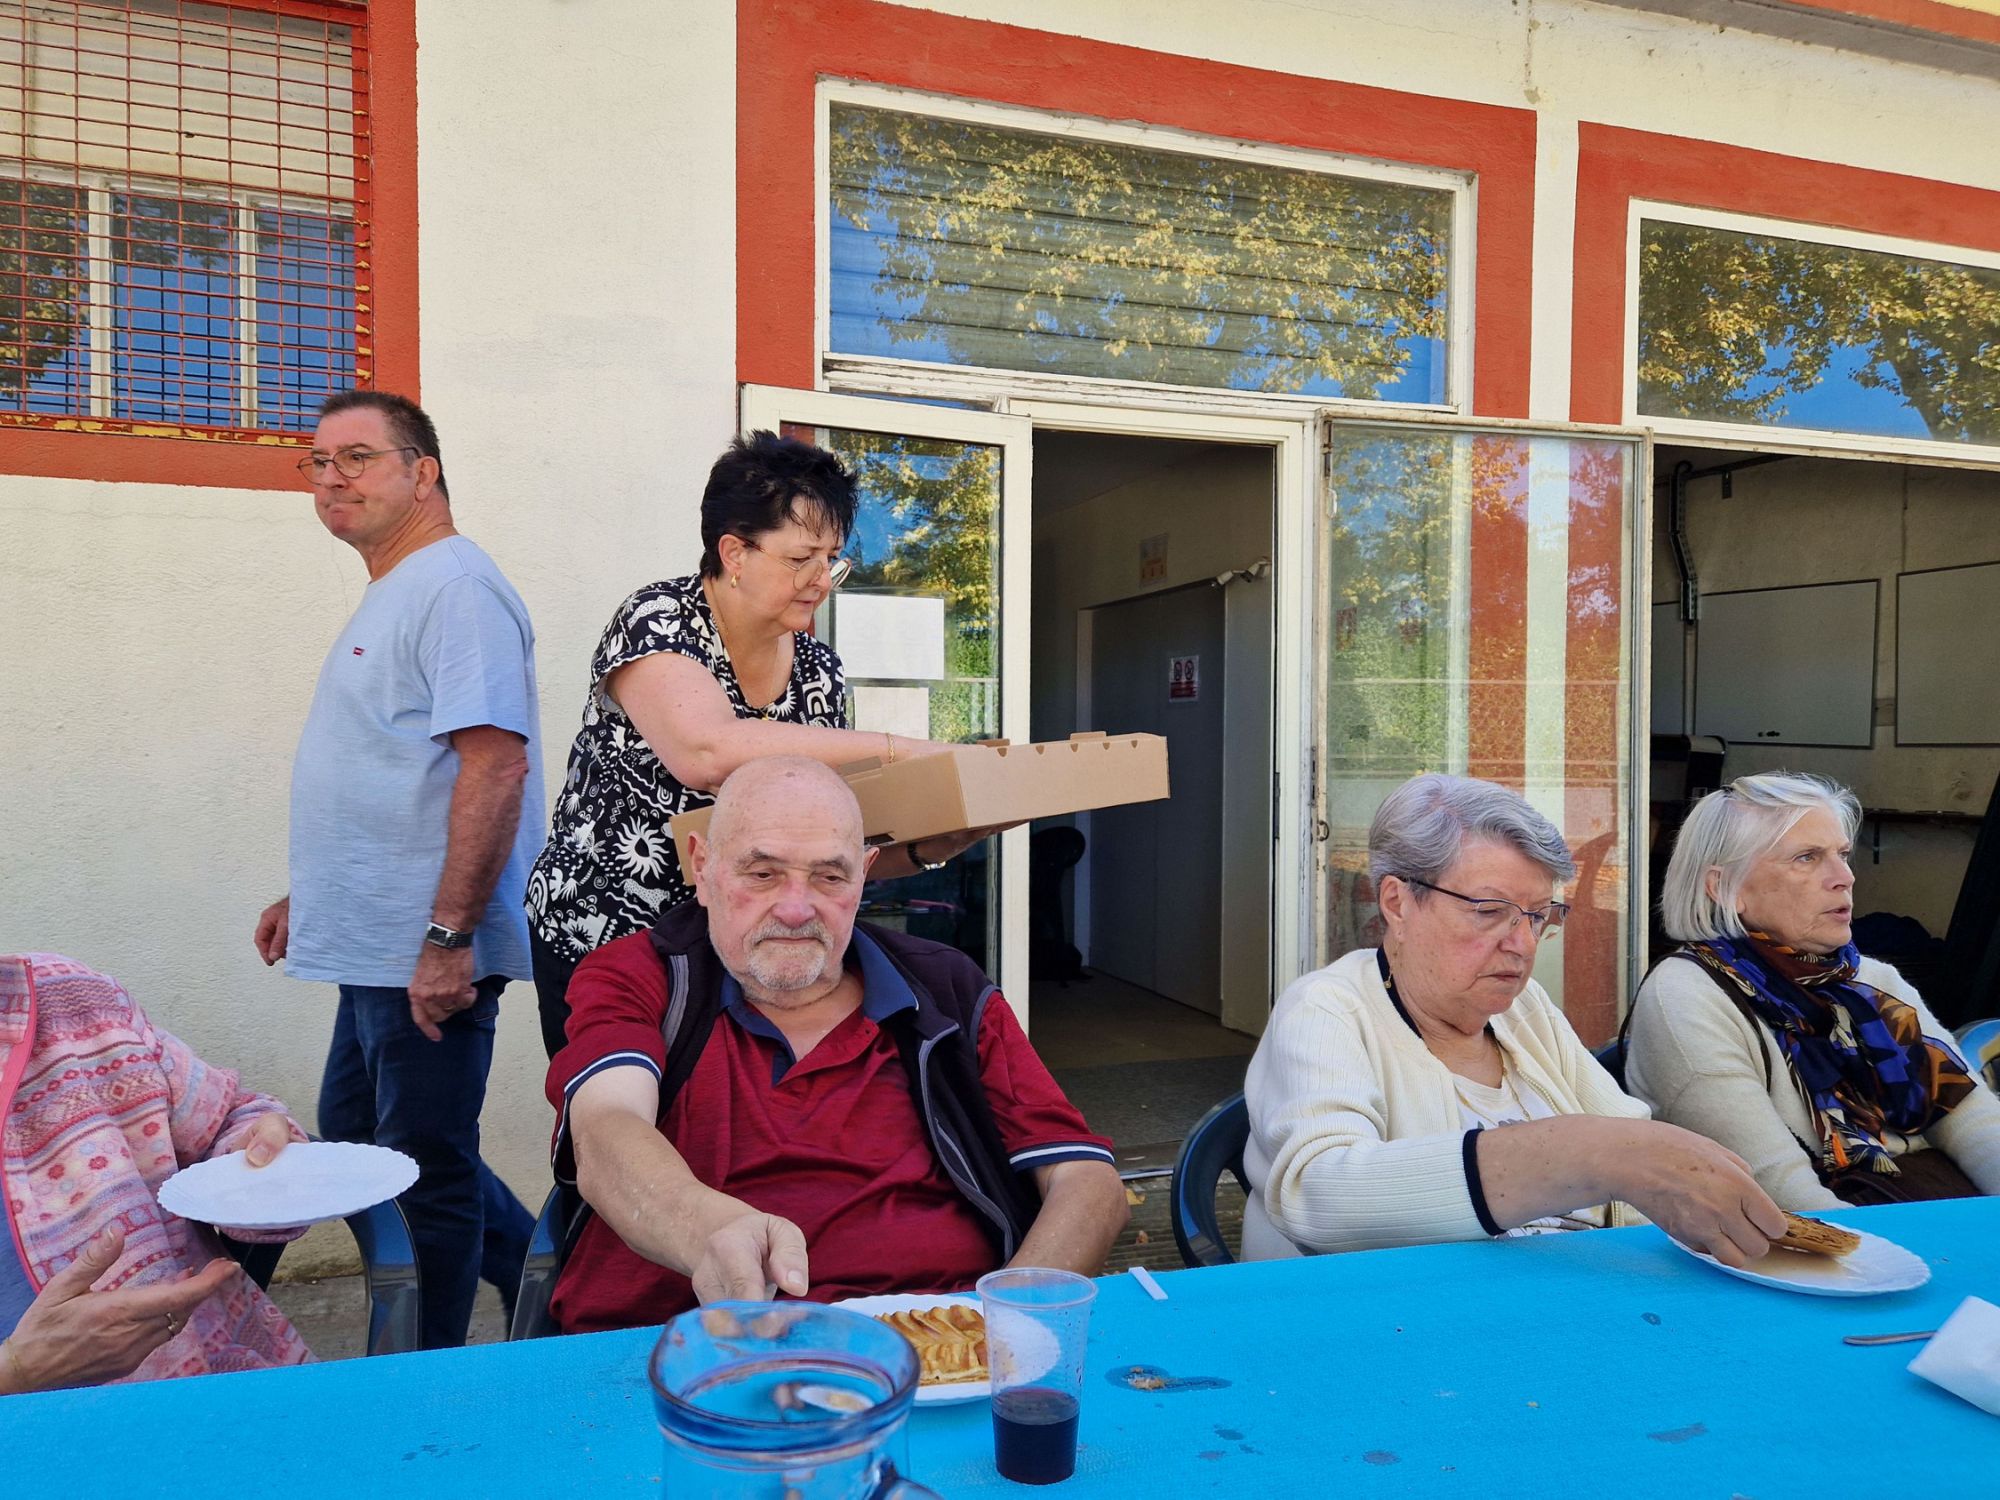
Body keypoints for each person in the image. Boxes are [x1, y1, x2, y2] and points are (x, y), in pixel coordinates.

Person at [544, 756, 1128, 1333]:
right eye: (762, 873)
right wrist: (708, 1228)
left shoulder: (944, 987)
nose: (796, 909)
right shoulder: (642, 976)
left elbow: (1085, 1179)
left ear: (864, 874)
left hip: (934, 1347)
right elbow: (606, 1128)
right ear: (702, 866)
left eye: (829, 877)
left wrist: (1003, 1326)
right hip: (685, 1348)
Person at [525, 431, 989, 1059]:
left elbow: (826, 840)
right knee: (620, 1106)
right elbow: (707, 752)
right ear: (734, 552)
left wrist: (932, 847)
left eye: (832, 560)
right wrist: (906, 750)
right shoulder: (658, 619)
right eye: (801, 559)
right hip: (609, 934)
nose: (821, 580)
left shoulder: (818, 670)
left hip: (743, 950)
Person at [253, 390, 538, 1350]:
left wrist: (451, 939)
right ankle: (540, 1281)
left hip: (425, 947)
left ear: (424, 473)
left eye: (357, 457)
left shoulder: (456, 587)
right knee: (361, 1134)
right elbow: (391, 766)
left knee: (418, 1169)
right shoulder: (401, 586)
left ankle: (429, 1369)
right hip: (377, 940)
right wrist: (313, 892)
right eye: (318, 461)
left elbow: (494, 767)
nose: (331, 478)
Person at [1243, 773, 1786, 1264]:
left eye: (1538, 916)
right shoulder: (1328, 1010)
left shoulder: (1524, 1011)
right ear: (1397, 903)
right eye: (1489, 911)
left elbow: (1630, 1145)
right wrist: (1582, 1156)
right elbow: (1316, 1195)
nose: (1523, 944)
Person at [1626, 772, 2000, 1208]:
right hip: (1840, 1236)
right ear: (1724, 888)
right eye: (1806, 858)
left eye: (1842, 854)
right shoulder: (1687, 996)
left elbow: (1974, 1122)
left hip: (1939, 1216)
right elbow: (1779, 1191)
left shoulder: (1870, 980)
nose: (1844, 877)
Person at [1, 954, 311, 1393]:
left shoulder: (71, 1001)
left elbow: (227, 1118)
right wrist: (18, 1370)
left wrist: (252, 1156)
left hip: (207, 1384)